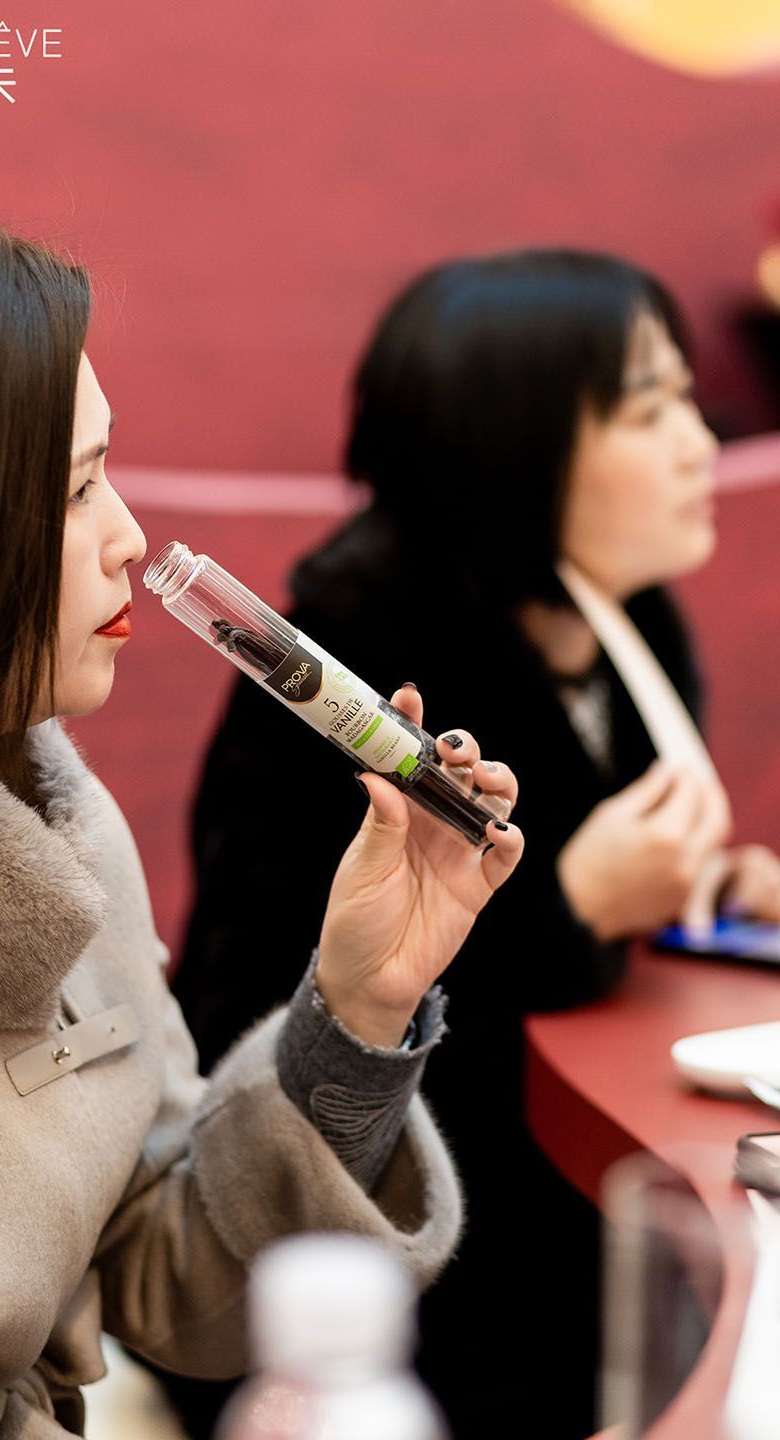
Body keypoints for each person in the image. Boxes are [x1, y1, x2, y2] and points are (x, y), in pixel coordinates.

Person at [0, 194, 525, 1440]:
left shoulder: (51, 815)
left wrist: (359, 1008)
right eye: (77, 490)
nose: (130, 539)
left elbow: (162, 1266)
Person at [169, 250, 780, 1437]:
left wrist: (698, 891)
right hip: (382, 1282)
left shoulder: (633, 616)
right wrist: (569, 908)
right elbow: (264, 1028)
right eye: (650, 409)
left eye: (688, 399)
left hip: (564, 1201)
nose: (701, 441)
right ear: (514, 449)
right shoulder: (344, 665)